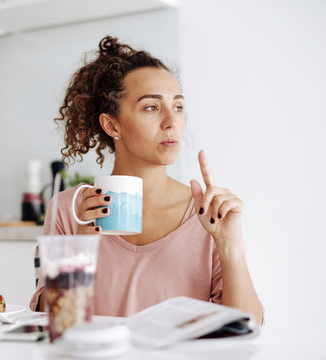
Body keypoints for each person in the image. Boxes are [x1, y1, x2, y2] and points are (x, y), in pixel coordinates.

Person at [29, 35, 264, 324]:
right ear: (112, 124)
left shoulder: (208, 214)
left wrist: (230, 245)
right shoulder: (68, 210)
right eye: (151, 107)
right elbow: (51, 323)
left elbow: (246, 329)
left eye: (178, 107)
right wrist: (78, 252)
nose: (171, 121)